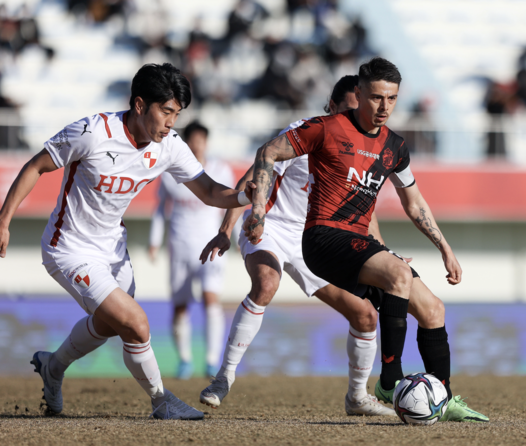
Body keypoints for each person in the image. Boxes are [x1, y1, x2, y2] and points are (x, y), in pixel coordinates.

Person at [0, 63, 252, 420]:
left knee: (111, 326)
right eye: (166, 111)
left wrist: (244, 198)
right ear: (138, 105)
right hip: (69, 248)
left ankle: (53, 367)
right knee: (135, 323)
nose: (171, 123)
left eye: (177, 114)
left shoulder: (168, 146)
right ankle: (162, 401)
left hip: (113, 250)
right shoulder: (92, 132)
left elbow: (210, 191)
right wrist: (4, 220)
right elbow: (36, 166)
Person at [244, 58, 489, 422]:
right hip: (322, 238)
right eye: (376, 98)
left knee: (433, 309)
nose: (384, 107)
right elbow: (269, 151)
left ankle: (442, 397)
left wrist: (445, 249)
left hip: (359, 242)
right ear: (358, 94)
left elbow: (414, 202)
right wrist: (259, 209)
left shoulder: (395, 146)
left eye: (391, 99)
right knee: (398, 274)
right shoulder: (326, 128)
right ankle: (389, 381)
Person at [199, 75, 395, 416]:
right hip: (270, 226)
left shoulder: (361, 148)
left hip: (315, 241)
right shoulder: (306, 131)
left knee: (364, 314)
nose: (354, 117)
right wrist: (226, 228)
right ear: (331, 107)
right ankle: (223, 377)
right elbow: (256, 173)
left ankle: (357, 398)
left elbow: (365, 210)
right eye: (348, 109)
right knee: (266, 283)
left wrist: (383, 252)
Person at [148, 121, 233, 379]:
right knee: (180, 306)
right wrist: (154, 241)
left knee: (211, 298)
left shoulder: (220, 170)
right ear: (186, 142)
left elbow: (232, 206)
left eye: (201, 139)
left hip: (211, 244)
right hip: (180, 245)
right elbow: (161, 210)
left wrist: (236, 238)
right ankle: (184, 360)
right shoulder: (171, 172)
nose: (197, 144)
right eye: (193, 139)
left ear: (206, 142)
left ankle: (211, 360)